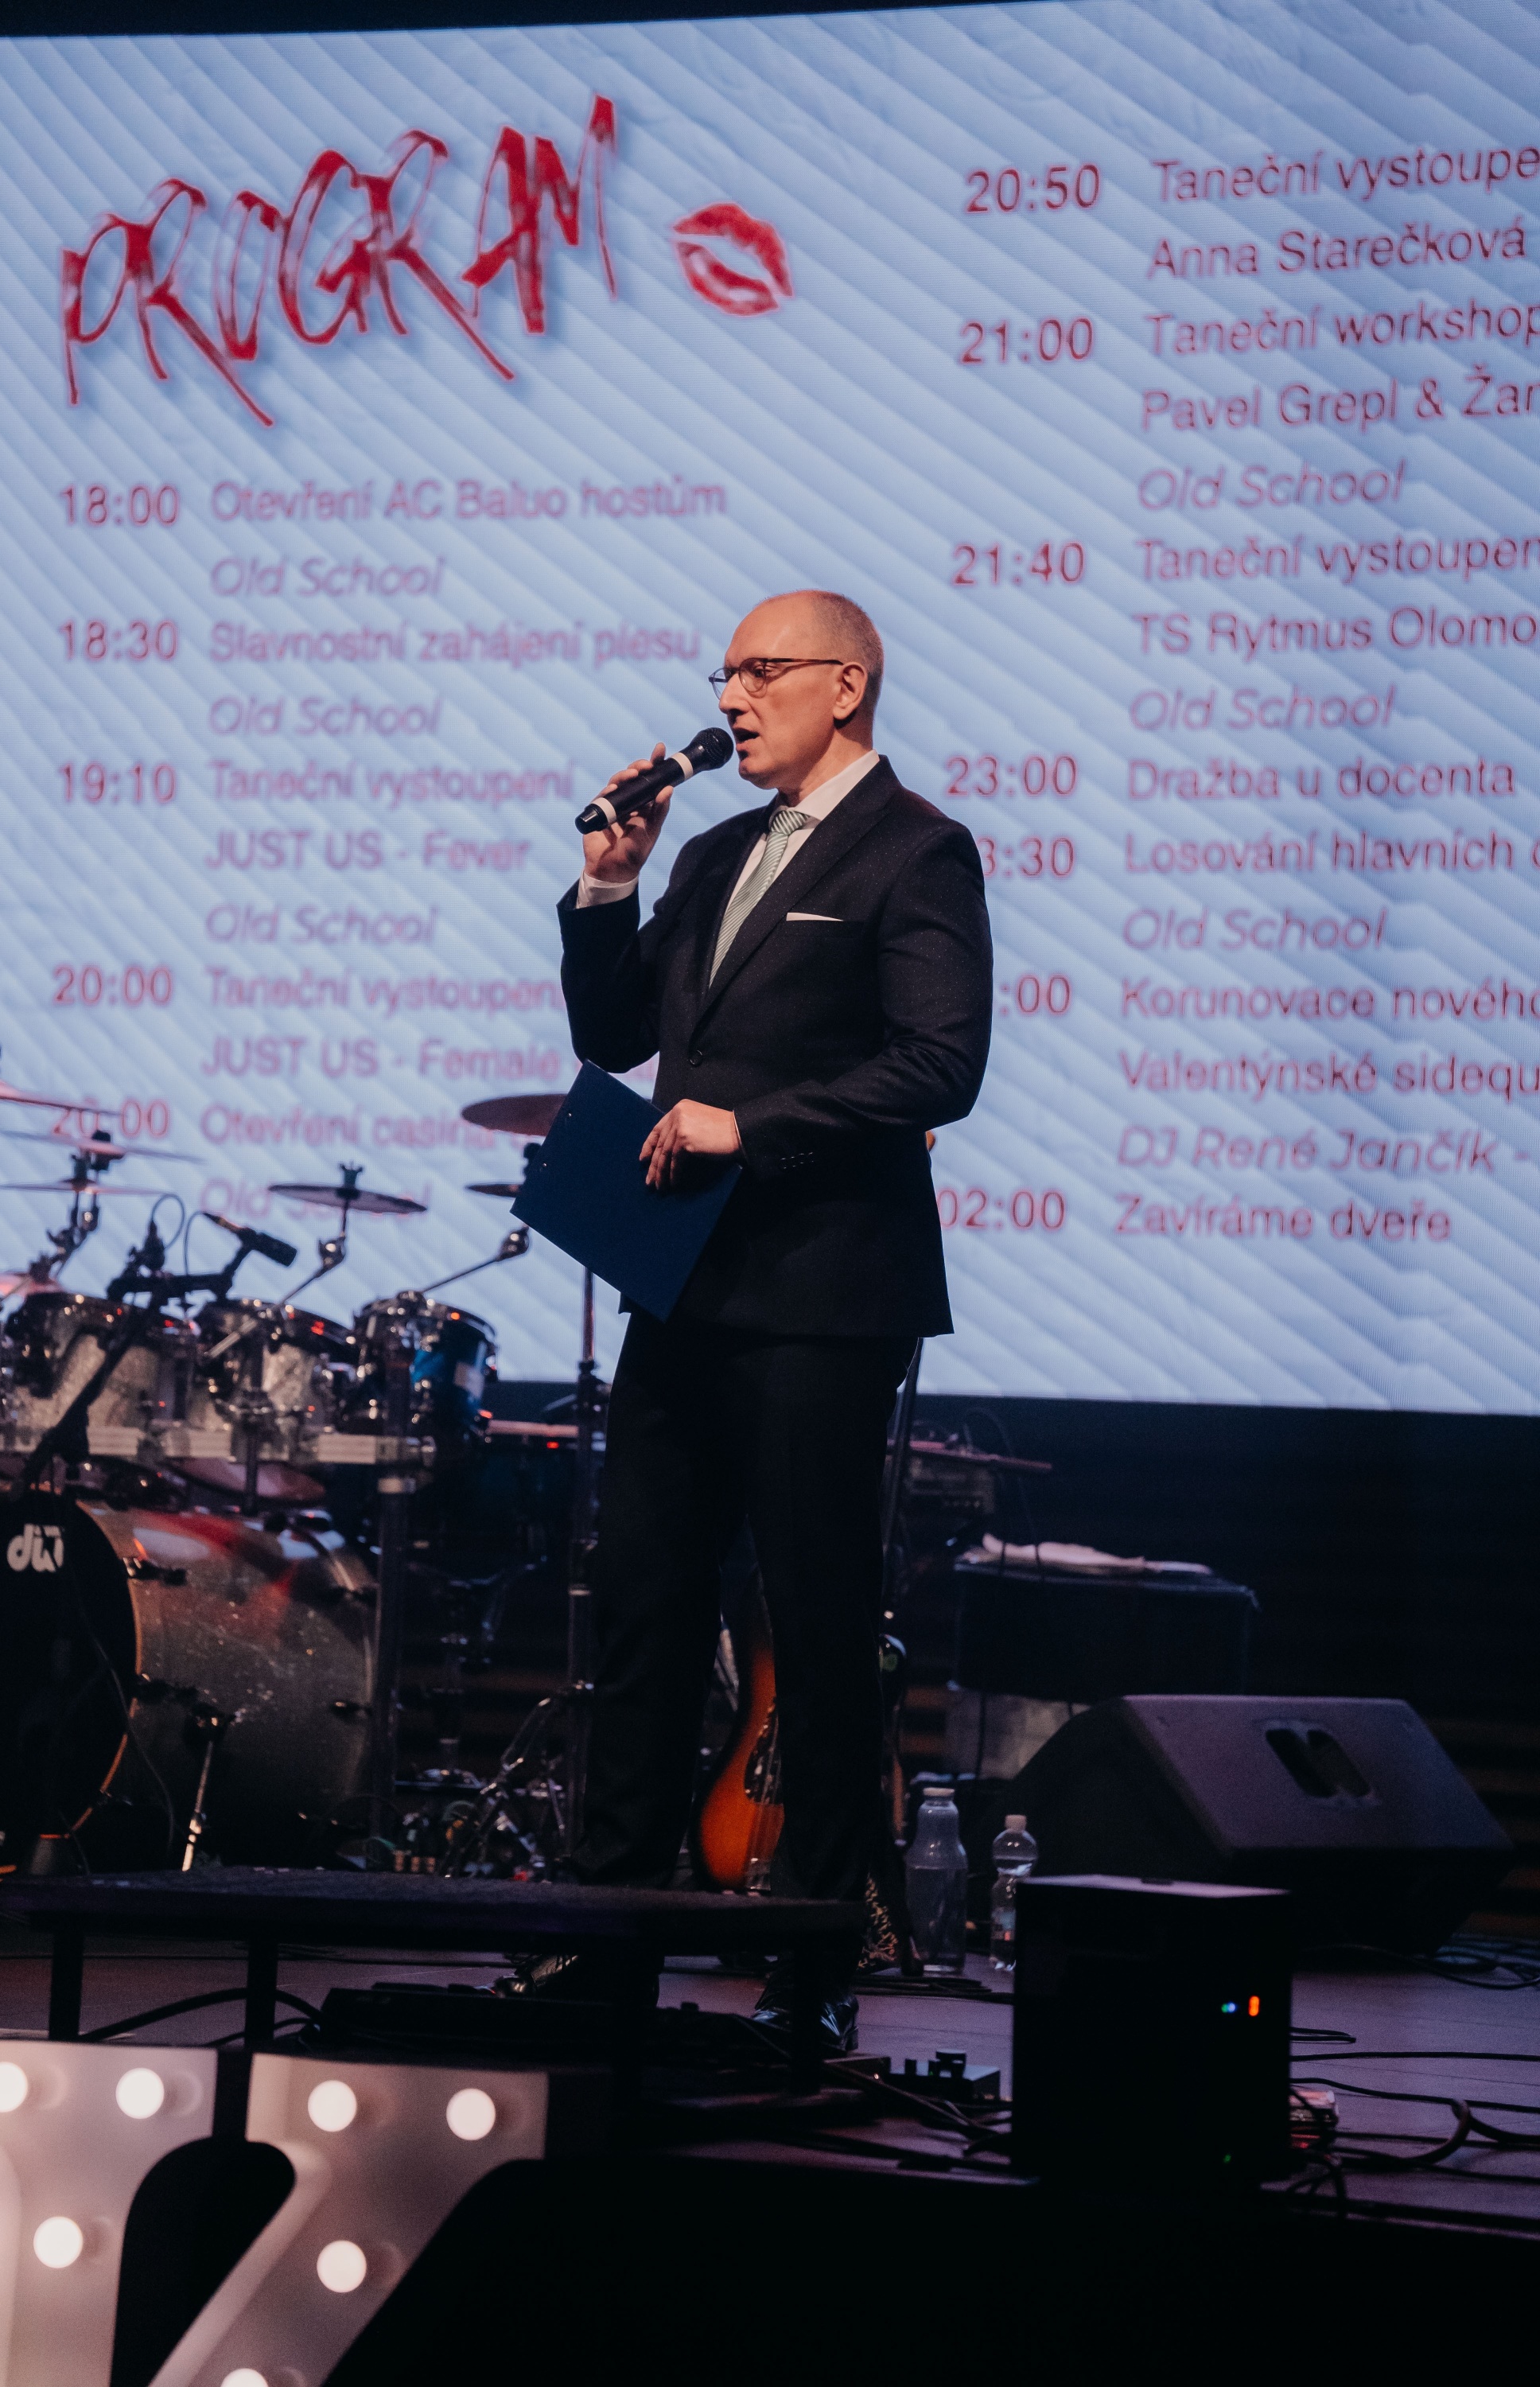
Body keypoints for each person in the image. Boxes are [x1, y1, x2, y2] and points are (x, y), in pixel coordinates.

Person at [524, 588, 992, 2049]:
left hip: (824, 1294)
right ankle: (607, 1939)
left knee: (817, 1619)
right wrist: (609, 886)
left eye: (762, 671)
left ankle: (814, 1954)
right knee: (647, 1603)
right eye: (724, 673)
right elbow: (615, 1037)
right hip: (684, 1281)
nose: (731, 698)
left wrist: (754, 1125)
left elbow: (941, 1063)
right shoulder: (714, 850)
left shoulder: (916, 849)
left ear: (845, 685)